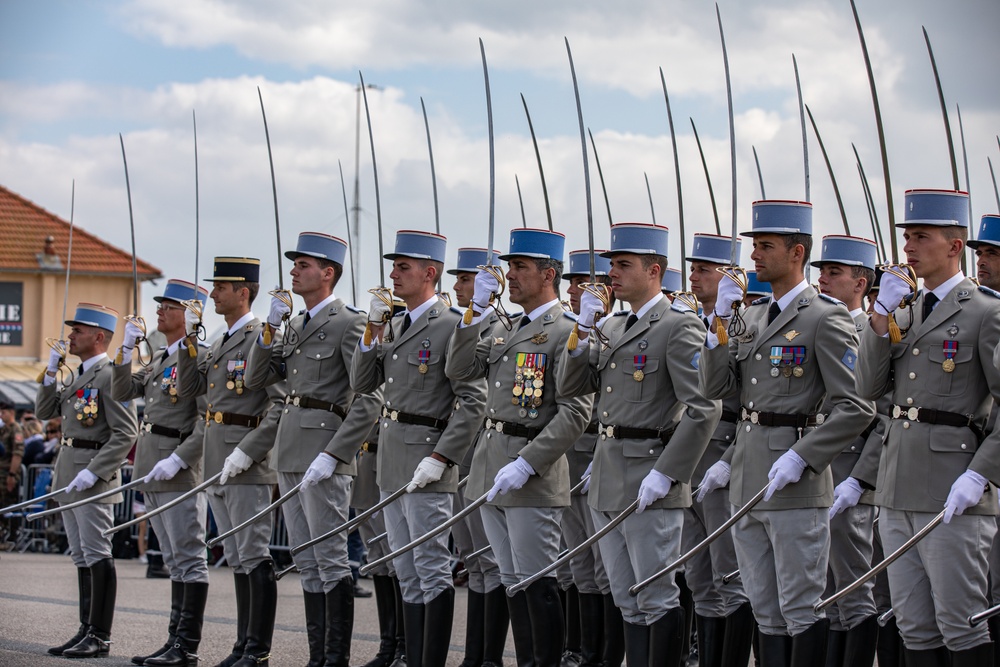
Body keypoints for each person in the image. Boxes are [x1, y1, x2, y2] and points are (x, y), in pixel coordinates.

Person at [698, 201, 874, 665]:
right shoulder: (751, 317)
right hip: (749, 475)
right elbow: (716, 387)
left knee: (801, 607)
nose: (754, 255)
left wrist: (804, 456)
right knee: (765, 610)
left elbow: (855, 406)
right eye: (754, 245)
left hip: (795, 481)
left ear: (796, 253)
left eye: (766, 246)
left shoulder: (825, 316)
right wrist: (718, 323)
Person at [558, 223, 720, 666]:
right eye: (611, 264)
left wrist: (669, 473)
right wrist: (582, 329)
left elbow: (703, 409)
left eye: (623, 264)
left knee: (654, 595)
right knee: (626, 598)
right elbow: (571, 386)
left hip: (650, 474)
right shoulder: (610, 325)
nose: (612, 273)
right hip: (608, 473)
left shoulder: (677, 326)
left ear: (653, 270)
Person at [857, 190, 1000, 664]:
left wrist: (981, 474)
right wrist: (879, 319)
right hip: (897, 488)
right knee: (915, 628)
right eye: (907, 237)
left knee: (961, 626)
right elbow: (870, 388)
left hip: (952, 486)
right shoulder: (906, 309)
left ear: (955, 246)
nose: (909, 247)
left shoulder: (985, 311)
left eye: (921, 236)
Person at [446, 228, 592, 667]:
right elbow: (458, 369)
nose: (510, 276)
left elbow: (575, 412)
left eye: (520, 268)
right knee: (512, 580)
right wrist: (474, 312)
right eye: (509, 267)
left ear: (548, 275)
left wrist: (527, 464)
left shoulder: (565, 330)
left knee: (537, 581)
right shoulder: (508, 328)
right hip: (492, 468)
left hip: (531, 474)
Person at [244, 233, 382, 667]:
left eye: (303, 265)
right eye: (295, 265)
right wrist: (268, 329)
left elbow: (369, 397)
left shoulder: (348, 322)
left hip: (324, 453)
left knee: (330, 556)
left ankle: (334, 658)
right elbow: (255, 380)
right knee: (306, 558)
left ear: (328, 273)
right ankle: (317, 655)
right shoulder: (295, 324)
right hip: (290, 449)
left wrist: (337, 452)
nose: (293, 272)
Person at [352, 229, 487, 667]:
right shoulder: (394, 323)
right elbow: (361, 383)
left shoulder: (451, 325)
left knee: (431, 570)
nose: (393, 274)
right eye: (393, 266)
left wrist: (443, 457)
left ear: (430, 273)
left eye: (403, 267)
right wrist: (372, 330)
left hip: (427, 459)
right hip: (392, 459)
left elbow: (473, 401)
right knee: (405, 571)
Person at [175, 257, 285, 667]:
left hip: (245, 462)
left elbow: (277, 405)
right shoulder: (220, 340)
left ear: (244, 292)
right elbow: (189, 389)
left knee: (254, 553)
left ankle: (258, 649)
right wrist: (189, 341)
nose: (214, 294)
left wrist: (250, 451)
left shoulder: (261, 336)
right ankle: (243, 644)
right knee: (237, 556)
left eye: (222, 287)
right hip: (218, 457)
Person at [111, 278, 211, 667]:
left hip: (177, 467)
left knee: (188, 557)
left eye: (169, 306)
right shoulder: (158, 357)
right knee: (172, 556)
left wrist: (182, 458)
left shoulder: (197, 356)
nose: (160, 311)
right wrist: (124, 349)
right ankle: (174, 641)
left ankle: (186, 645)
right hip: (152, 465)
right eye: (162, 305)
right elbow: (122, 391)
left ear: (189, 315)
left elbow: (206, 417)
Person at [35, 303, 139, 658]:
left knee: (97, 553)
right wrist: (50, 372)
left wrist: (95, 470)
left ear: (99, 337)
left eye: (77, 331)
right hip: (70, 474)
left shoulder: (110, 376)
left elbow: (126, 433)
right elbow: (44, 413)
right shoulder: (79, 375)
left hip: (91, 477)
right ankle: (85, 629)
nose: (70, 336)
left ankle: (100, 634)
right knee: (80, 554)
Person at [811, 235, 883, 666]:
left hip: (850, 471)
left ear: (860, 283)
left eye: (834, 272)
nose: (823, 279)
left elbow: (884, 413)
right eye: (821, 271)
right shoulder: (814, 322)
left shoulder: (871, 333)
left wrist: (861, 478)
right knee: (821, 590)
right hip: (814, 469)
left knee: (853, 589)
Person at [684, 233, 755, 667]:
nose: (694, 276)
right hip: (688, 459)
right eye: (692, 269)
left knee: (730, 573)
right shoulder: (690, 322)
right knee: (699, 575)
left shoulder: (745, 328)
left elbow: (755, 407)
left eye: (704, 270)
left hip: (723, 455)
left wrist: (728, 462)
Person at [446, 247, 510, 667]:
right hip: (464, 459)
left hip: (485, 455)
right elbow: (456, 368)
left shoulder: (505, 329)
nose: (457, 286)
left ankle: (488, 657)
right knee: (474, 561)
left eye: (466, 279)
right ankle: (475, 656)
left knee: (491, 561)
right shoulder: (468, 324)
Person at [558, 248, 622, 667]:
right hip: (570, 460)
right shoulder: (576, 331)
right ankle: (581, 649)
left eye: (582, 284)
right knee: (578, 566)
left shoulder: (615, 331)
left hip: (607, 459)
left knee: (607, 569)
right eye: (572, 285)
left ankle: (605, 655)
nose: (574, 292)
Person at [0, 400, 25, 544]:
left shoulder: (16, 429)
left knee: (8, 505)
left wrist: (11, 475)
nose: (1, 415)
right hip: (1, 473)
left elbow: (17, 453)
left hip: (7, 473)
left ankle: (10, 537)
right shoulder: (4, 429)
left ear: (12, 413)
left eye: (4, 412)